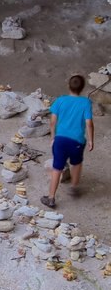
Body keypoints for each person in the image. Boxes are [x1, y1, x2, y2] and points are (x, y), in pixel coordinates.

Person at [42, 75, 94, 208]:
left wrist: (53, 137)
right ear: (82, 88)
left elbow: (53, 121)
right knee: (76, 163)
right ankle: (74, 187)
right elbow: (89, 123)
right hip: (77, 141)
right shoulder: (86, 102)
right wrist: (91, 140)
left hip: (60, 140)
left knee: (57, 168)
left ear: (68, 86)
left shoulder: (60, 100)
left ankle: (51, 197)